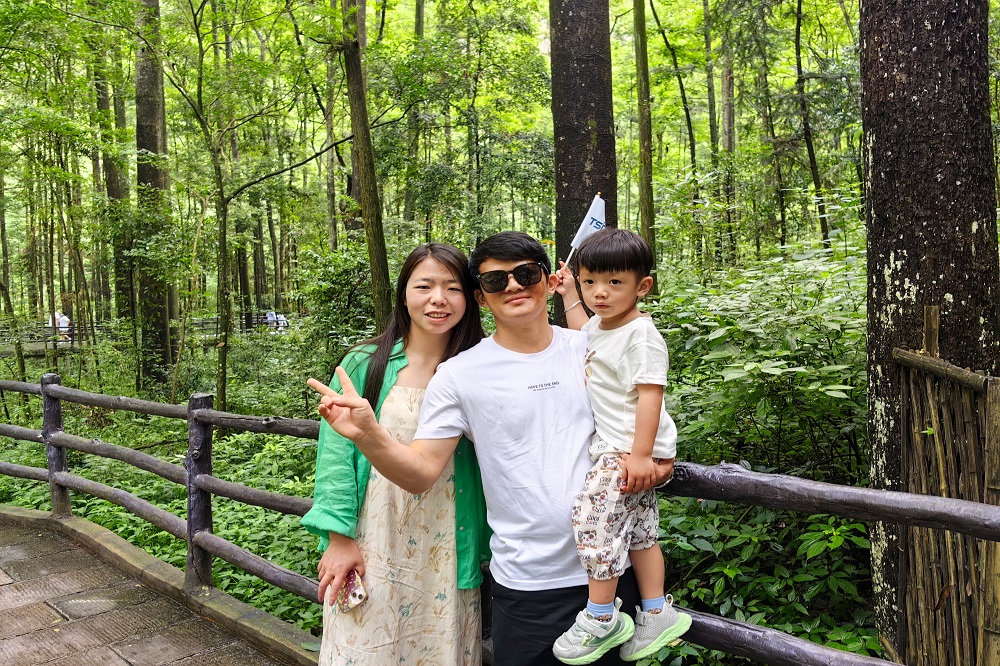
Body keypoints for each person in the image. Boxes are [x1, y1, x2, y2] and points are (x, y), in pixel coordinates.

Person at [309, 231, 674, 666]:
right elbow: (422, 471)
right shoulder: (458, 374)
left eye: (526, 274)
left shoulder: (591, 346)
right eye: (496, 281)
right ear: (481, 297)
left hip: (612, 574)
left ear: (549, 281)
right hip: (525, 584)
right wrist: (369, 435)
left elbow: (643, 407)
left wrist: (658, 459)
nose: (514, 286)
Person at [301, 242, 491, 665]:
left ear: (470, 297)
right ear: (404, 294)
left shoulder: (480, 366)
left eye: (453, 288)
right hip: (374, 537)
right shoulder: (366, 363)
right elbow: (335, 458)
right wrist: (339, 538)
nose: (438, 299)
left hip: (448, 541)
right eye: (424, 286)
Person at [552, 228, 691, 664]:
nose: (600, 292)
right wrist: (568, 293)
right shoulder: (602, 324)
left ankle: (600, 618)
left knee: (592, 524)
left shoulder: (640, 335)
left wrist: (641, 455)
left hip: (626, 452)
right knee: (640, 534)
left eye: (614, 282)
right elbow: (584, 334)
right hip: (631, 451)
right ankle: (656, 612)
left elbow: (651, 395)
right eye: (590, 281)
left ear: (642, 286)